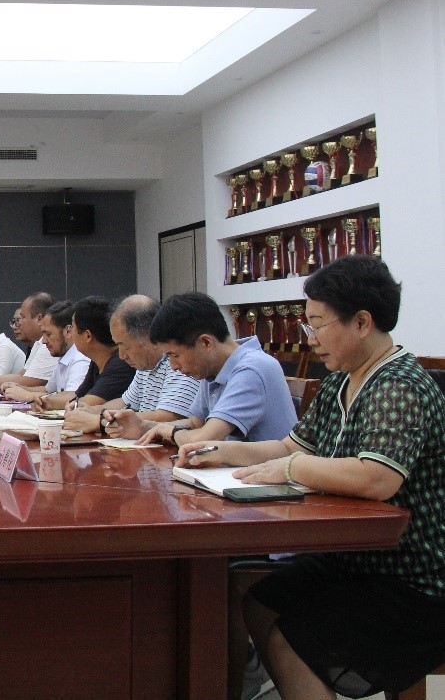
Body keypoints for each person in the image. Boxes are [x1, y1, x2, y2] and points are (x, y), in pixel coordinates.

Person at [177, 256, 445, 699]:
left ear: (362, 322)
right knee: (258, 602)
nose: (310, 338)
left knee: (293, 638)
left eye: (318, 325)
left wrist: (293, 469)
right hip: (357, 557)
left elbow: (377, 478)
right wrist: (222, 452)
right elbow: (292, 446)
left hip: (412, 574)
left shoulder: (398, 385)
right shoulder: (342, 380)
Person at [131, 292, 295, 446]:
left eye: (175, 355)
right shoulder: (213, 369)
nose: (173, 367)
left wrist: (171, 433)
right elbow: (197, 423)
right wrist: (144, 426)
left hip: (266, 466)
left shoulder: (252, 369)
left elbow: (205, 438)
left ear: (206, 342)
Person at [88, 295, 201, 438]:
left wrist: (100, 421)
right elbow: (125, 403)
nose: (121, 355)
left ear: (149, 335)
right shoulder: (145, 366)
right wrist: (87, 411)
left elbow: (170, 416)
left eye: (124, 345)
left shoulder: (179, 362)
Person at [41, 295, 135, 417]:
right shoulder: (96, 361)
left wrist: (75, 404)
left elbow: (87, 404)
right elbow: (78, 397)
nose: (71, 334)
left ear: (88, 336)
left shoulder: (120, 363)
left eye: (73, 328)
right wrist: (48, 402)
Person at [1, 300, 90, 405]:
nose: (43, 341)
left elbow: (73, 397)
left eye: (48, 334)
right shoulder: (64, 356)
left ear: (68, 331)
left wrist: (29, 396)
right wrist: (20, 388)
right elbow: (48, 390)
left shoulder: (81, 359)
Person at [0, 293, 57, 390]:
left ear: (39, 319)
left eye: (22, 317)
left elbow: (30, 381)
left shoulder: (48, 345)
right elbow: (22, 374)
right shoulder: (39, 343)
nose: (18, 324)